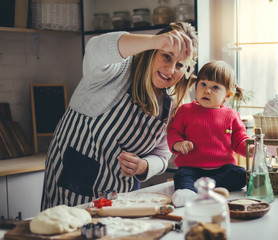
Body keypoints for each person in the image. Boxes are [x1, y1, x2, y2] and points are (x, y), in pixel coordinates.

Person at [41, 21, 198, 210]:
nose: (171, 70)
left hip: (121, 195)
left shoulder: (171, 105)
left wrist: (144, 166)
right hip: (71, 184)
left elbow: (162, 155)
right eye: (166, 56)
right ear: (152, 50)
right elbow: (95, 48)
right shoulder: (115, 71)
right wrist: (157, 40)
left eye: (180, 65)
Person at [167, 60, 254, 207]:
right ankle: (191, 192)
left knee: (240, 174)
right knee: (181, 176)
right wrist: (179, 144)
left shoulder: (231, 115)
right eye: (203, 84)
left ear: (227, 95)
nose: (207, 90)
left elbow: (239, 140)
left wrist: (250, 149)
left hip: (223, 169)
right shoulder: (185, 111)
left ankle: (203, 188)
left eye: (215, 87)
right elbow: (173, 132)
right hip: (191, 168)